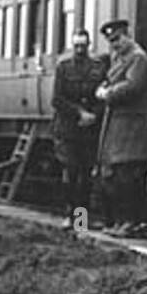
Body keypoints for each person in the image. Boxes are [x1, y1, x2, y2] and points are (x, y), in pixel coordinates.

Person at [95, 18, 147, 236]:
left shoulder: (137, 58)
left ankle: (130, 222)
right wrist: (105, 86)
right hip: (120, 126)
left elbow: (133, 86)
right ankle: (121, 222)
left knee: (129, 176)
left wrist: (108, 93)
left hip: (132, 127)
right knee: (119, 176)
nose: (115, 44)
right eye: (111, 40)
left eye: (118, 39)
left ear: (127, 35)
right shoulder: (120, 57)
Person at [51, 28, 108, 228]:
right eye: (76, 46)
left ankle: (81, 220)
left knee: (85, 177)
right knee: (70, 174)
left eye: (83, 46)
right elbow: (57, 99)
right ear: (72, 46)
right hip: (68, 130)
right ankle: (69, 215)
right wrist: (79, 113)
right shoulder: (63, 68)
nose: (80, 50)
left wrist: (94, 115)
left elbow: (103, 96)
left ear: (88, 45)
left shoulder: (98, 68)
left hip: (88, 131)